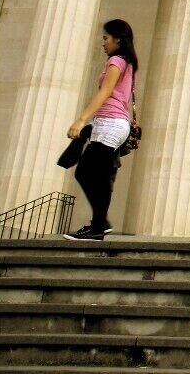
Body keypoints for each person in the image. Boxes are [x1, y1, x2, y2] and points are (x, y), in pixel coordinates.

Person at [63, 19, 138, 241]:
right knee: (94, 174)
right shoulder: (127, 62)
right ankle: (99, 223)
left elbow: (105, 93)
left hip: (111, 123)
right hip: (108, 123)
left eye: (106, 38)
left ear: (118, 39)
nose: (102, 43)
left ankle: (98, 225)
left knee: (86, 172)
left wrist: (81, 119)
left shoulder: (116, 61)